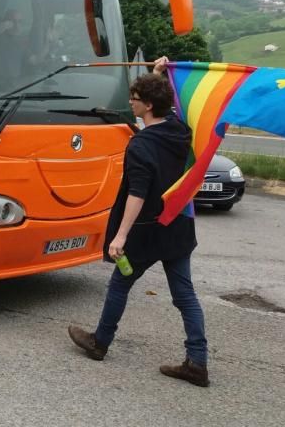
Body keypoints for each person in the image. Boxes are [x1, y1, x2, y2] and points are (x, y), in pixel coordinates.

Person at [68, 56, 210, 387]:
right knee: (185, 295)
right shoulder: (179, 130)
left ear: (147, 106)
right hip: (177, 226)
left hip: (146, 232)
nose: (129, 101)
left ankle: (99, 342)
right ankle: (197, 362)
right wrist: (158, 74)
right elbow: (162, 103)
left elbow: (138, 194)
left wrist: (120, 236)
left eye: (134, 98)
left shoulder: (141, 145)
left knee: (119, 284)